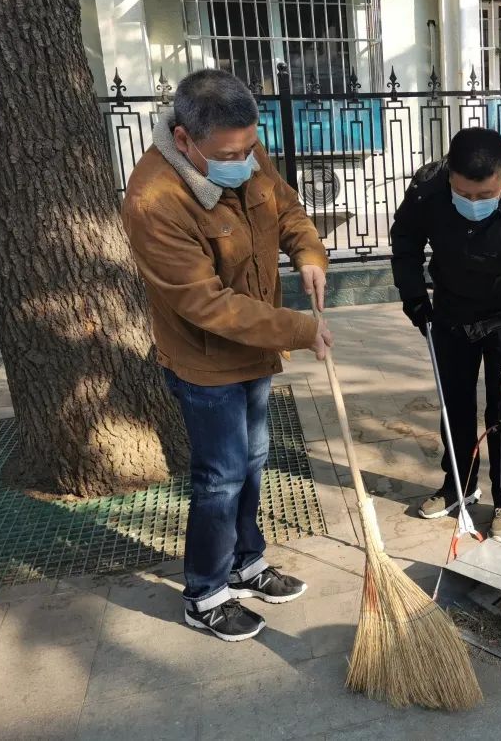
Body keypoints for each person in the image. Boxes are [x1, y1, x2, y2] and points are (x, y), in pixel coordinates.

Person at [122, 69, 332, 642]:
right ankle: (205, 591)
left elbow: (287, 211)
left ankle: (247, 559)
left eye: (250, 147)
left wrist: (309, 254)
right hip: (205, 359)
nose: (246, 159)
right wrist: (296, 328)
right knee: (219, 476)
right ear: (186, 139)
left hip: (256, 349)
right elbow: (207, 305)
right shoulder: (153, 199)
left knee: (255, 458)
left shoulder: (241, 143)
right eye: (230, 153)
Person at [390, 128, 501, 543]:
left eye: (484, 196)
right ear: (450, 178)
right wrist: (413, 297)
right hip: (450, 310)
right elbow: (404, 239)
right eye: (464, 194)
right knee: (454, 405)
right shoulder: (429, 189)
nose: (473, 204)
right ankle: (458, 487)